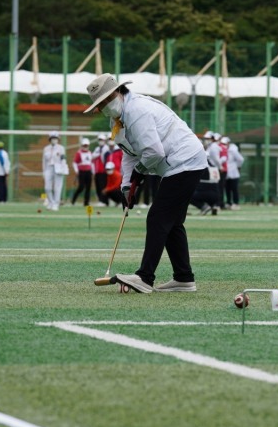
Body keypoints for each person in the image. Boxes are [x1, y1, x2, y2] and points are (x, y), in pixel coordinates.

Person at [85, 73, 208, 293]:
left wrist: (138, 176)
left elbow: (153, 152)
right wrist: (126, 186)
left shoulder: (136, 111)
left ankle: (145, 277)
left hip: (185, 161)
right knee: (172, 223)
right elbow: (130, 153)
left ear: (117, 92)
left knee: (158, 218)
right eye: (99, 104)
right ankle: (184, 278)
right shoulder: (118, 118)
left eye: (104, 100)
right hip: (175, 165)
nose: (102, 107)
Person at [42, 131, 67, 211]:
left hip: (58, 168)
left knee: (57, 187)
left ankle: (56, 204)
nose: (54, 140)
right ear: (49, 139)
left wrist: (63, 168)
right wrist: (44, 171)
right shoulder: (46, 149)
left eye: (55, 138)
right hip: (48, 168)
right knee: (47, 188)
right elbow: (44, 161)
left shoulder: (61, 148)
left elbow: (63, 159)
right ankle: (51, 202)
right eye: (52, 138)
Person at [71, 137, 93, 206]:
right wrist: (76, 171)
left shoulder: (90, 153)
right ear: (82, 145)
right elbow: (74, 163)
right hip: (81, 172)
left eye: (86, 145)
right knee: (81, 187)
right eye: (84, 145)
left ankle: (86, 202)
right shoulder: (79, 153)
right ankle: (73, 200)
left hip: (88, 172)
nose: (85, 146)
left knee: (88, 187)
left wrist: (93, 171)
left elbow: (91, 163)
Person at [224, 136, 244, 209]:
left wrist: (238, 167)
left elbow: (240, 159)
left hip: (234, 173)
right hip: (226, 173)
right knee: (227, 189)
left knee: (234, 189)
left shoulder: (233, 150)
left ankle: (236, 203)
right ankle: (228, 203)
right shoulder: (223, 150)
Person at [92, 133, 109, 206]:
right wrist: (98, 154)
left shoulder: (106, 148)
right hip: (97, 171)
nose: (100, 141)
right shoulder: (97, 149)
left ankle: (104, 201)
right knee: (98, 186)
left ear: (104, 140)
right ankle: (100, 200)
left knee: (103, 186)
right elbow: (92, 156)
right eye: (99, 140)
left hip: (103, 171)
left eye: (102, 140)